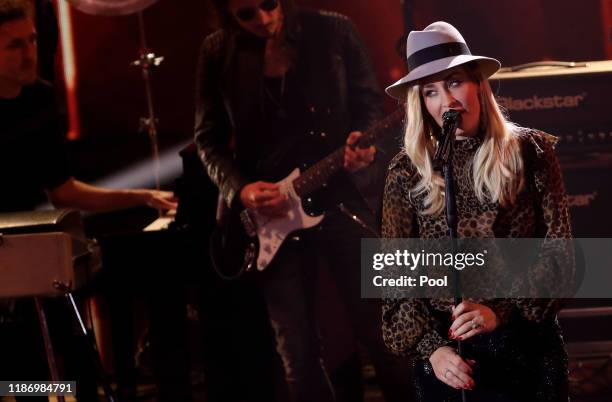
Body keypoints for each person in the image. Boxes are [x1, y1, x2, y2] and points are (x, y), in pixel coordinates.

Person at [194, 0, 413, 401]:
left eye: (268, 4)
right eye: (246, 14)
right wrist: (240, 190)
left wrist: (361, 146)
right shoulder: (216, 50)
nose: (263, 19)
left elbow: (368, 106)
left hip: (340, 196)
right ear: (227, 13)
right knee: (295, 350)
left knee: (384, 329)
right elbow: (207, 139)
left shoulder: (335, 31)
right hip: (271, 214)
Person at [380, 21, 572, 402]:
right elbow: (394, 279)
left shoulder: (530, 153)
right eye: (430, 91)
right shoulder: (406, 172)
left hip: (524, 349)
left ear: (478, 86)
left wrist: (499, 311)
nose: (445, 101)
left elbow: (562, 257)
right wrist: (433, 350)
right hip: (446, 361)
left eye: (454, 83)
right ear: (420, 103)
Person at [0, 1, 176, 400]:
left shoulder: (39, 98)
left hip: (32, 251)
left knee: (73, 358)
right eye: (14, 46)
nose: (30, 53)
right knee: (18, 373)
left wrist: (144, 196)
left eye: (32, 40)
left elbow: (64, 191)